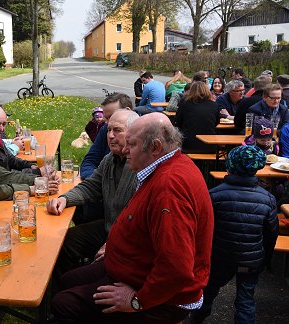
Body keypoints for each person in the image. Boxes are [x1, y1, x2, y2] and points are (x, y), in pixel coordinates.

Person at [51, 112, 214, 323]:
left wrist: (137, 301)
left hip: (163, 299)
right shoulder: (164, 165)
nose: (125, 150)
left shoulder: (168, 189)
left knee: (62, 303)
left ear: (155, 147)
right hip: (131, 267)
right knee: (67, 279)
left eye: (132, 144)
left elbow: (177, 270)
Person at [189, 145, 278, 324]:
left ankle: (195, 320)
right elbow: (271, 234)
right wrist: (265, 259)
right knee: (246, 301)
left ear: (228, 166)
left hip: (221, 258)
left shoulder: (214, 195)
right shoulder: (268, 199)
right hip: (251, 260)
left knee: (207, 293)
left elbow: (204, 230)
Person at [47, 110, 139, 279]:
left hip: (130, 238)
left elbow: (140, 220)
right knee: (64, 242)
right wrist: (64, 199)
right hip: (110, 227)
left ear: (134, 133)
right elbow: (91, 186)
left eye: (117, 130)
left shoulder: (140, 164)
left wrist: (115, 243)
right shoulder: (110, 159)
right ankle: (65, 282)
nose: (110, 136)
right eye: (108, 130)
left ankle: (74, 286)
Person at [80, 92, 132, 180]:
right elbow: (90, 161)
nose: (108, 123)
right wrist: (97, 181)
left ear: (127, 111)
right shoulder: (105, 129)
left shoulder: (144, 134)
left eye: (111, 116)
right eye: (106, 118)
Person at [0, 104, 41, 175]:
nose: (1, 129)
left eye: (4, 124)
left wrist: (30, 165)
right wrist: (36, 172)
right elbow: (3, 176)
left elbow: (10, 159)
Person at [176, 81, 220, 153]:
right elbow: (216, 123)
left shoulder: (185, 103)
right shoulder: (214, 105)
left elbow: (178, 122)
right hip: (209, 145)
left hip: (188, 145)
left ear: (191, 91)